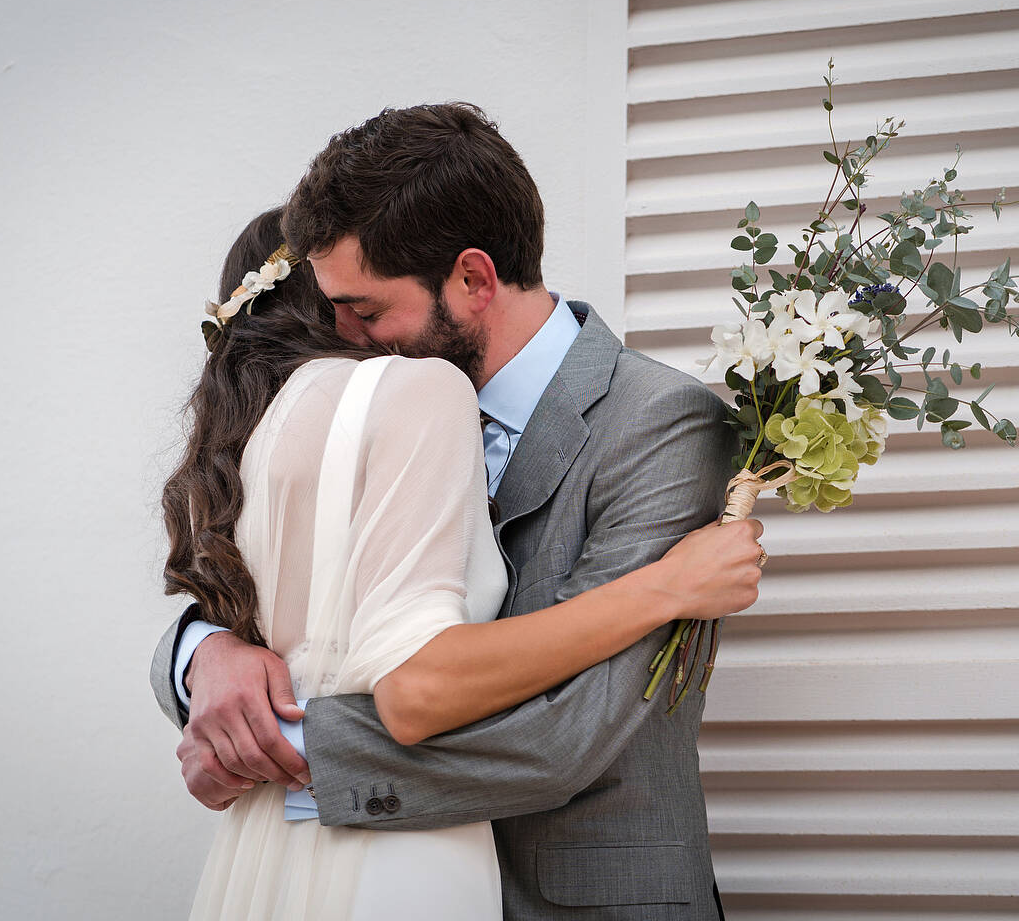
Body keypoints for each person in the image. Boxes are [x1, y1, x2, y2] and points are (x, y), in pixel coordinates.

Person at [152, 103, 765, 920]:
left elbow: (564, 736)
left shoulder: (661, 424)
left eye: (365, 311)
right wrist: (207, 652)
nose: (340, 338)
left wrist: (283, 747)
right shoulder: (390, 405)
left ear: (473, 280)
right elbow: (275, 581)